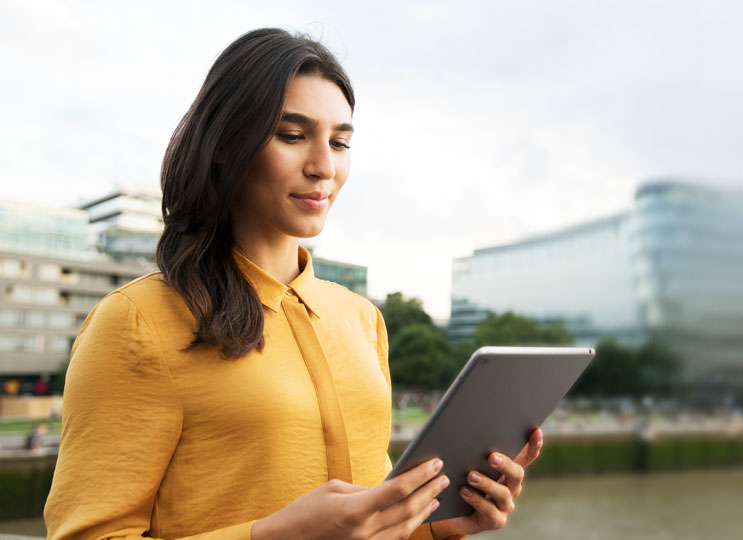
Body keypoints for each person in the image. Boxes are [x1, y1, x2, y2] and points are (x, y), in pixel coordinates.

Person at [44, 28, 541, 540]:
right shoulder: (137, 320)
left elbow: (369, 515)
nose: (324, 166)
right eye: (292, 135)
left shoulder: (361, 319)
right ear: (224, 145)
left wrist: (434, 526)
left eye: (341, 142)